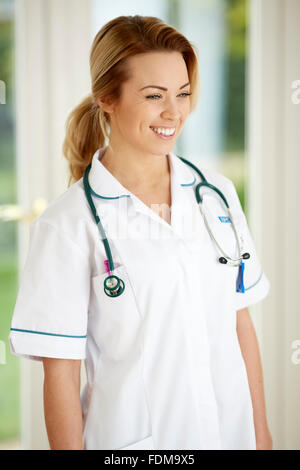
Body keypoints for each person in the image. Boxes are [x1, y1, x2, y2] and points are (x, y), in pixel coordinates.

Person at [9, 15, 273, 450]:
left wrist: (260, 435)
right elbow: (61, 375)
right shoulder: (67, 224)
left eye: (183, 94)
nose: (174, 113)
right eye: (154, 96)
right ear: (106, 98)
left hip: (233, 437)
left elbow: (240, 322)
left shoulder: (216, 195)